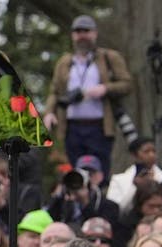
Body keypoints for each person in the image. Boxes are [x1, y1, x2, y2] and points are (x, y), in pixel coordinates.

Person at [43, 14, 132, 176]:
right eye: (78, 31)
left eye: (86, 31)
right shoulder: (64, 62)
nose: (82, 35)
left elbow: (127, 84)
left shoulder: (109, 57)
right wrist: (49, 112)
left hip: (99, 126)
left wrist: (105, 88)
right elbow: (54, 92)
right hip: (72, 127)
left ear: (94, 33)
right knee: (76, 174)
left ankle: (99, 199)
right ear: (72, 35)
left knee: (100, 173)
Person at [106, 138, 162, 214]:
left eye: (154, 151)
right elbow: (116, 210)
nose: (151, 155)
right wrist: (135, 187)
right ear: (135, 155)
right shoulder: (118, 180)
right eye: (146, 152)